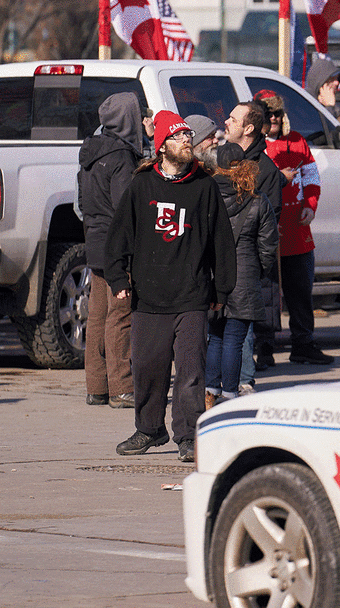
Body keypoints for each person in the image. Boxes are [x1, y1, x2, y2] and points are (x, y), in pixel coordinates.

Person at [105, 111, 236, 462]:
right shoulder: (141, 185)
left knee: (191, 370)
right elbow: (117, 238)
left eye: (188, 137)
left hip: (192, 295)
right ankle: (150, 429)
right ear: (161, 146)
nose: (186, 142)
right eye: (178, 138)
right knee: (147, 366)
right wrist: (118, 278)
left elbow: (221, 242)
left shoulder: (204, 186)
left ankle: (189, 435)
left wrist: (222, 291)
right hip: (148, 297)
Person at [255, 90, 334, 366]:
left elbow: (311, 174)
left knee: (300, 294)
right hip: (268, 235)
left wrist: (310, 205)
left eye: (277, 113)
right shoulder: (256, 147)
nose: (274, 118)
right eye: (268, 113)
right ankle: (264, 348)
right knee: (267, 296)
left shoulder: (298, 141)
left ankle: (303, 343)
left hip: (298, 233)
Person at [77, 92, 143, 409]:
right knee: (121, 316)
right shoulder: (122, 157)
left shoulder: (91, 153)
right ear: (126, 120)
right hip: (117, 246)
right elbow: (125, 209)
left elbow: (83, 204)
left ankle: (97, 387)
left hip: (95, 241)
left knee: (98, 316)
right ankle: (122, 388)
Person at [205, 142, 278, 407]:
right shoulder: (258, 200)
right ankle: (231, 394)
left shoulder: (207, 195)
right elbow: (268, 245)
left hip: (213, 275)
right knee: (235, 339)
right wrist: (259, 270)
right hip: (245, 274)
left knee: (215, 336)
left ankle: (210, 391)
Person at [223, 100, 284, 370]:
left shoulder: (266, 170)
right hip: (218, 263)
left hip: (245, 267)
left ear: (249, 128)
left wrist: (254, 265)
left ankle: (242, 382)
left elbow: (268, 228)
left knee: (241, 334)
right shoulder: (220, 160)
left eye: (233, 119)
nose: (226, 121)